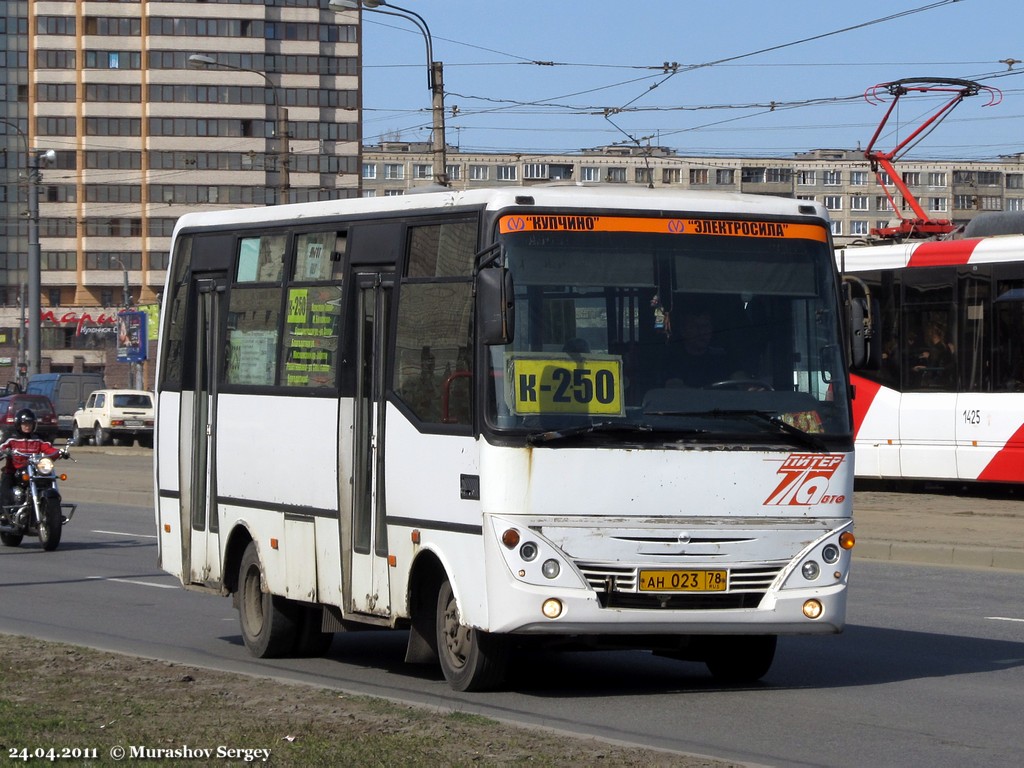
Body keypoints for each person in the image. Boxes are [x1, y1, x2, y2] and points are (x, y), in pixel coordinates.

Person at [0, 409, 61, 512]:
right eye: (24, 423)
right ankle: (3, 513)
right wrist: (4, 452)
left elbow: (49, 449)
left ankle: (51, 510)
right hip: (14, 471)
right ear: (19, 424)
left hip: (34, 470)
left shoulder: (38, 440)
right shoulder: (11, 439)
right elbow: (2, 447)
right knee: (5, 488)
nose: (27, 426)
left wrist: (60, 452)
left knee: (48, 479)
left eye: (30, 423)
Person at [664, 310, 733, 387]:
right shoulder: (672, 360)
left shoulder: (722, 357)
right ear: (683, 331)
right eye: (695, 326)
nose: (702, 332)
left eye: (705, 326)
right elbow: (675, 390)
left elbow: (741, 380)